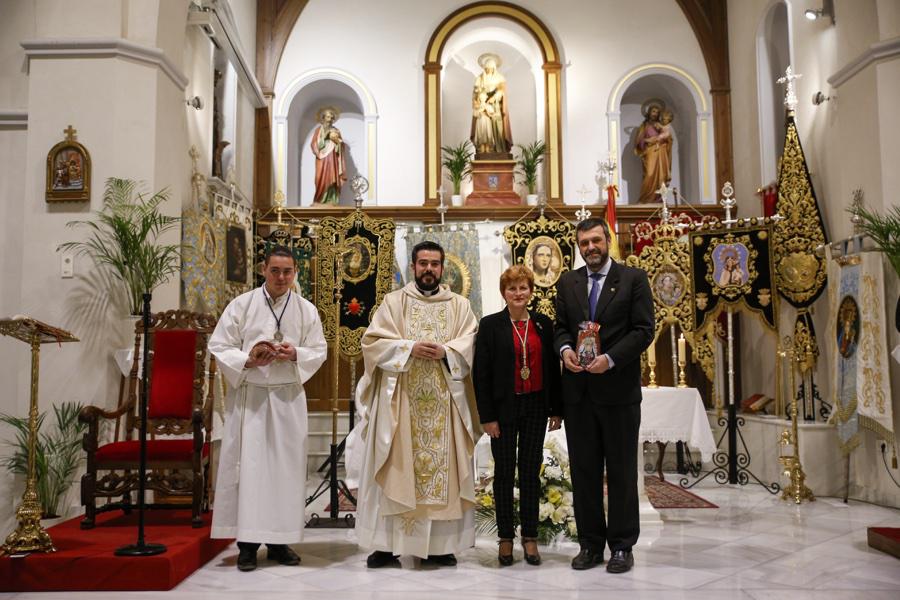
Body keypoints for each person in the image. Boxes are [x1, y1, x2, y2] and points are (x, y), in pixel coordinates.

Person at [349, 240, 479, 568]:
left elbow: (470, 342)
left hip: (443, 404)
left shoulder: (460, 306)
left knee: (441, 474)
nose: (429, 270)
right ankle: (386, 545)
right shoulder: (394, 303)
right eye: (423, 264)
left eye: (435, 264)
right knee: (396, 465)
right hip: (401, 404)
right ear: (413, 267)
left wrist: (447, 352)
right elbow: (373, 342)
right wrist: (408, 348)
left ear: (443, 267)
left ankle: (440, 546)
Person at [208, 246, 328, 572]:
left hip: (287, 398)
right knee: (249, 471)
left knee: (284, 472)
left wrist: (294, 354)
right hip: (251, 399)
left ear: (295, 273)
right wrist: (248, 357)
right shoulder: (242, 305)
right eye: (275, 270)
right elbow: (219, 345)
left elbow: (319, 349)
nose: (281, 277)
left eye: (287, 271)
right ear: (263, 269)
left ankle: (279, 541)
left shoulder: (305, 310)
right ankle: (247, 545)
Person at [554, 217, 654, 573]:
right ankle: (590, 544)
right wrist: (565, 348)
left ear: (608, 240)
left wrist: (609, 359)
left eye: (596, 241)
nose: (590, 248)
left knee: (623, 472)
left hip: (618, 392)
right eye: (584, 244)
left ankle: (622, 546)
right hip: (579, 394)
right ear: (578, 247)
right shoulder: (568, 282)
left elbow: (644, 330)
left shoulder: (632, 279)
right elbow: (561, 326)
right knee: (584, 472)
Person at [473, 265, 562, 567]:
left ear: (531, 291)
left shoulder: (543, 324)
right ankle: (506, 538)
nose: (518, 293)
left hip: (537, 405)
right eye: (512, 288)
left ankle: (531, 537)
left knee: (529, 473)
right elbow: (481, 375)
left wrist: (557, 409)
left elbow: (553, 369)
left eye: (523, 287)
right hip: (503, 409)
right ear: (504, 293)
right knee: (503, 473)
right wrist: (487, 416)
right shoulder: (490, 325)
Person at [470, 53, 512, 155]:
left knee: (498, 127)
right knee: (484, 129)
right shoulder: (479, 78)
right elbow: (475, 93)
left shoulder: (500, 78)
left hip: (496, 106)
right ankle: (484, 149)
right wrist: (479, 101)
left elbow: (502, 90)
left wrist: (494, 97)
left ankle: (500, 149)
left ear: (494, 68)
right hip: (483, 106)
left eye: (490, 68)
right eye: (486, 68)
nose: (488, 70)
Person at [633, 101, 672, 204]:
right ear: (649, 112)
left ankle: (659, 199)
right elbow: (639, 140)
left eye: (657, 112)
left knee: (661, 176)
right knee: (649, 174)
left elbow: (668, 138)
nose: (654, 113)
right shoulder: (644, 126)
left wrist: (664, 140)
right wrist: (645, 141)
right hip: (649, 152)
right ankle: (645, 198)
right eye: (653, 111)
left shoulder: (661, 125)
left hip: (660, 153)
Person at [310, 106, 347, 204]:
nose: (330, 120)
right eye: (327, 117)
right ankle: (319, 199)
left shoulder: (336, 131)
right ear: (323, 118)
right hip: (321, 157)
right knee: (319, 178)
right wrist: (325, 138)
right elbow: (313, 143)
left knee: (332, 176)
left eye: (331, 118)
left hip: (332, 157)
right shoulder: (318, 130)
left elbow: (342, 146)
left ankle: (332, 199)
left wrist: (338, 142)